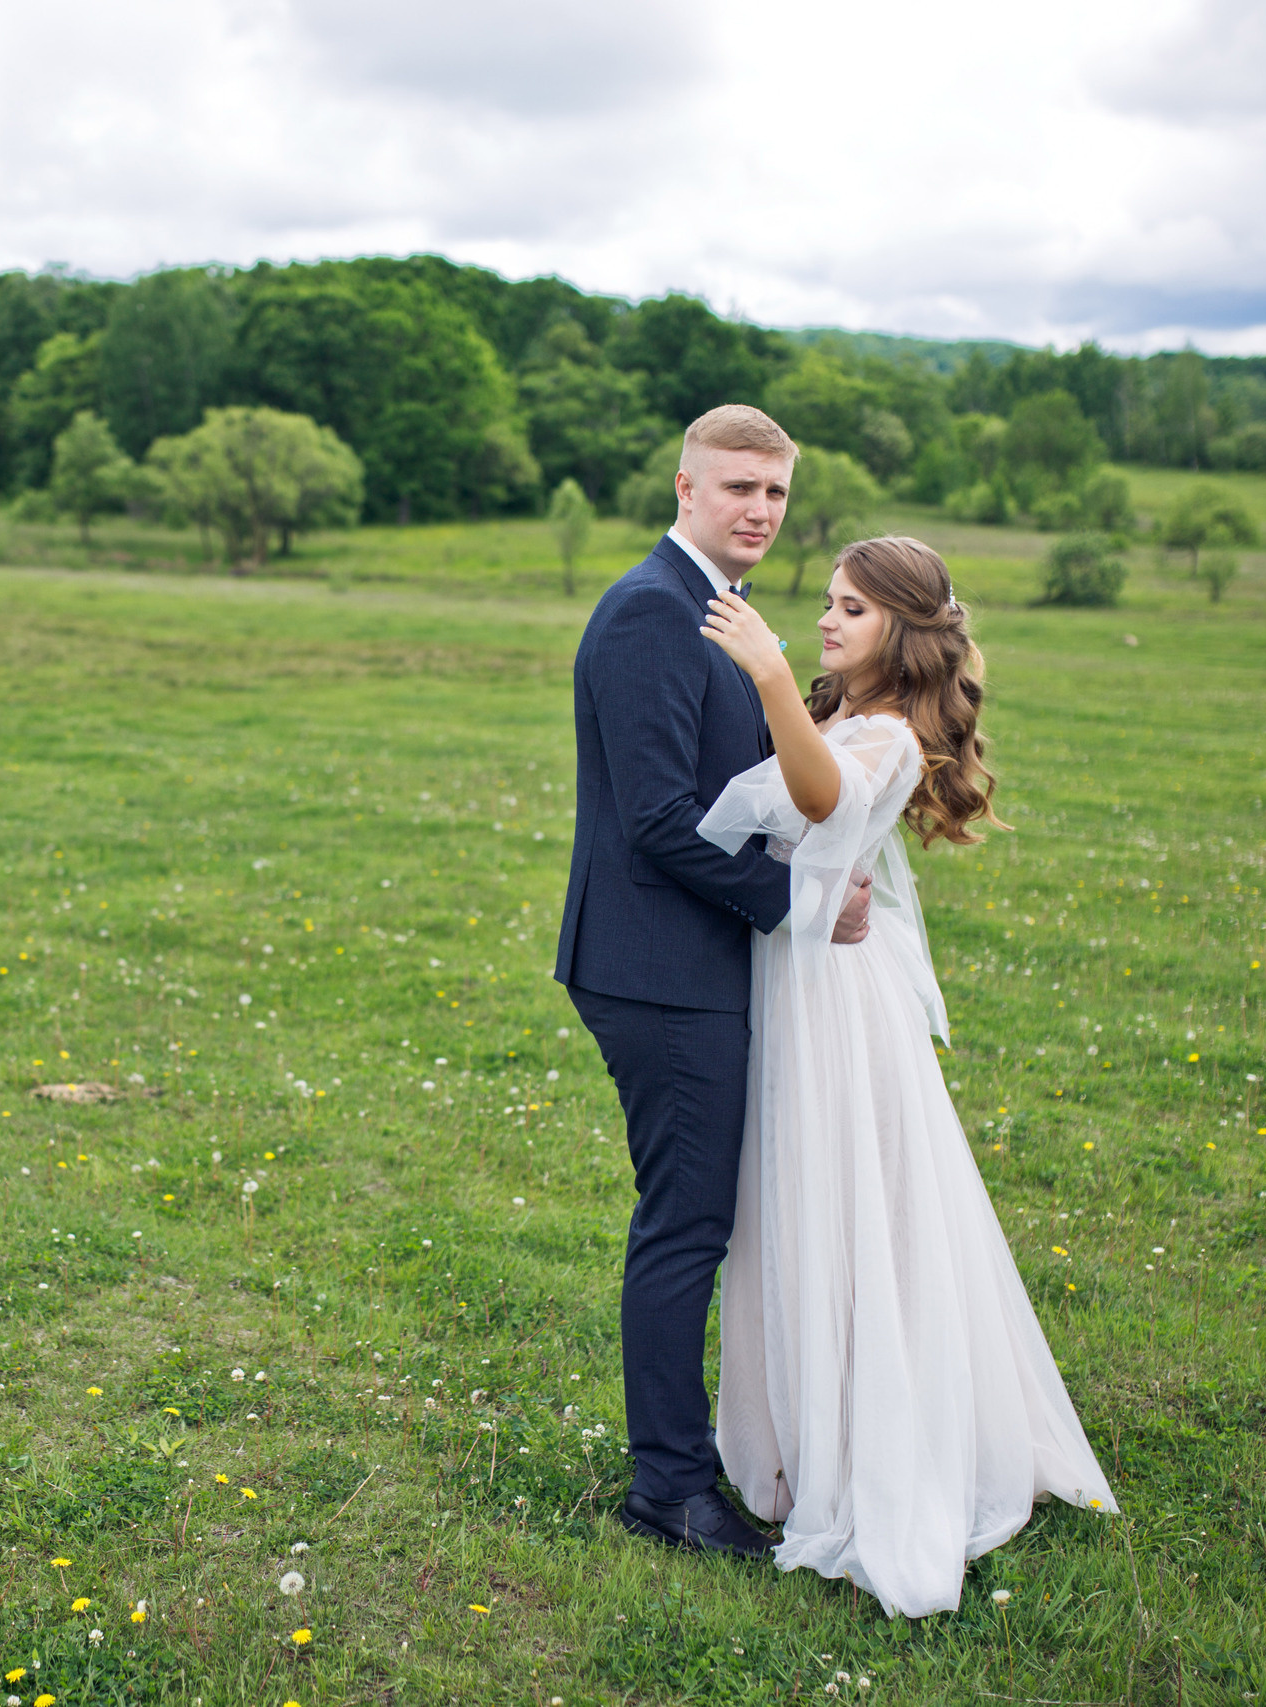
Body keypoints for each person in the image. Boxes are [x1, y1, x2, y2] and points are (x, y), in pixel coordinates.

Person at [694, 536, 1117, 1618]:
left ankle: (865, 1448)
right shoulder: (842, 706)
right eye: (826, 603)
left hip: (835, 1002)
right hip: (796, 970)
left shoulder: (881, 730)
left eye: (854, 609)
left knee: (844, 1201)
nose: (828, 621)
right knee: (785, 1201)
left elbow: (824, 802)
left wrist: (772, 673)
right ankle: (789, 1434)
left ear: (905, 629)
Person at [554, 405, 874, 1562]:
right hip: (654, 970)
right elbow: (656, 824)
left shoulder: (720, 612)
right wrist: (796, 905)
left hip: (692, 960)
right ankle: (671, 1492)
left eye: (776, 495)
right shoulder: (649, 613)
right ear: (684, 488)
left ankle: (715, 1458)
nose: (758, 510)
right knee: (685, 1223)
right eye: (737, 487)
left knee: (701, 1215)